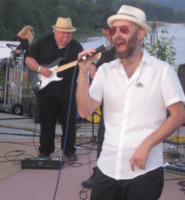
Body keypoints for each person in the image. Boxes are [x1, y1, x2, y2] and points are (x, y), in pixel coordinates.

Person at [76, 5, 185, 200]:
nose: (117, 35)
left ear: (140, 33)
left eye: (124, 29)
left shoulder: (162, 71)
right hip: (107, 169)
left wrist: (147, 144)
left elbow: (179, 115)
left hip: (144, 173)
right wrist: (83, 74)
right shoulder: (105, 71)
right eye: (114, 30)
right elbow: (84, 111)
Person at [25, 17, 83, 161]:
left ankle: (69, 150)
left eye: (69, 33)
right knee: (47, 123)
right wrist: (40, 69)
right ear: (56, 31)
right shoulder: (43, 42)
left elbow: (83, 67)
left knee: (69, 123)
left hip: (68, 91)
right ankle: (45, 151)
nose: (66, 36)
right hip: (46, 91)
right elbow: (28, 59)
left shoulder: (76, 47)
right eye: (63, 33)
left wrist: (88, 64)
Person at [81, 11, 117, 188]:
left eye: (106, 29)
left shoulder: (120, 50)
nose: (104, 32)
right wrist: (91, 66)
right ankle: (101, 174)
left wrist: (95, 71)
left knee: (111, 142)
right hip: (107, 105)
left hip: (119, 106)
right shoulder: (108, 49)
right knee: (103, 140)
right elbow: (99, 74)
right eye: (103, 29)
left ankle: (107, 177)